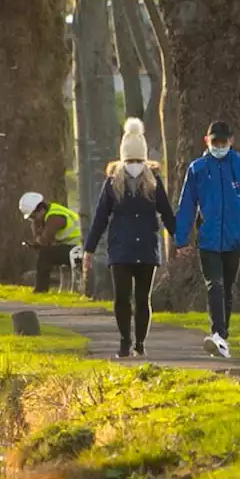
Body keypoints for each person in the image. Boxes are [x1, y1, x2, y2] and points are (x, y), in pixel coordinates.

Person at [81, 118, 176, 358]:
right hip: (120, 248)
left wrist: (180, 240)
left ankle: (140, 342)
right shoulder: (113, 183)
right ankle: (125, 340)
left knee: (143, 299)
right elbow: (101, 217)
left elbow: (166, 212)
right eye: (130, 160)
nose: (134, 164)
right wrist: (89, 250)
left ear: (144, 159)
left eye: (137, 160)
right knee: (122, 297)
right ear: (123, 159)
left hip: (146, 247)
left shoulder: (154, 182)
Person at [174, 120, 240, 359]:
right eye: (215, 142)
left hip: (234, 240)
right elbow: (186, 206)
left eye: (223, 142)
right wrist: (181, 239)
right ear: (207, 141)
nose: (219, 146)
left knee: (227, 288)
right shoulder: (197, 168)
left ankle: (222, 337)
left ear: (231, 141)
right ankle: (217, 333)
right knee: (215, 285)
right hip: (209, 240)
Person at [18, 191, 82, 293]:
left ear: (41, 210)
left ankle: (41, 289)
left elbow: (44, 240)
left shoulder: (55, 217)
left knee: (46, 254)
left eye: (33, 217)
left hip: (79, 249)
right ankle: (41, 288)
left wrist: (37, 235)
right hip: (72, 248)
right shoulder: (49, 214)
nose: (32, 220)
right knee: (45, 253)